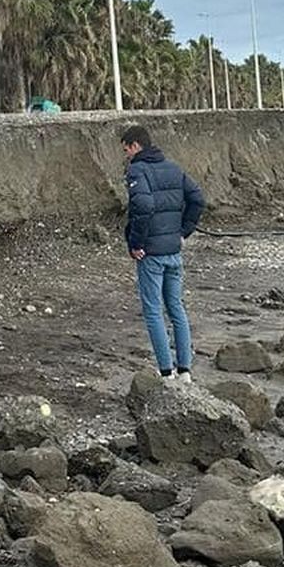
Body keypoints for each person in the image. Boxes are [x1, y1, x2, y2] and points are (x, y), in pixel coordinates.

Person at [120, 125, 205, 381]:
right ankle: (185, 371)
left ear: (136, 146)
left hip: (151, 254)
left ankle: (166, 372)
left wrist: (136, 243)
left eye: (126, 150)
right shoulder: (174, 168)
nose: (126, 155)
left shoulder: (137, 170)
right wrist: (184, 231)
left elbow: (143, 205)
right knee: (176, 308)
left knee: (154, 311)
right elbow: (198, 199)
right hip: (173, 250)